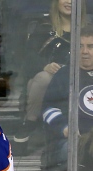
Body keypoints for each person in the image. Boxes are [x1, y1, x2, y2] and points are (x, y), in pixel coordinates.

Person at [13, 0, 87, 151]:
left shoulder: (88, 28)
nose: (69, 2)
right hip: (51, 79)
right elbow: (28, 57)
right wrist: (44, 65)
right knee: (42, 79)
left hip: (84, 78)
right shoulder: (43, 26)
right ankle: (29, 123)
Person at [41, 25, 93, 171]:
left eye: (91, 46)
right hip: (71, 140)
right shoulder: (65, 75)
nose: (85, 51)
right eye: (80, 46)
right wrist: (65, 128)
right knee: (68, 150)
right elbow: (48, 109)